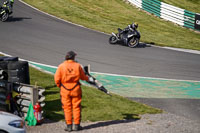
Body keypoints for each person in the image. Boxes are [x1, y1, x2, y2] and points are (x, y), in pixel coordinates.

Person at [54, 51, 94, 132]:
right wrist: (89, 78)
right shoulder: (78, 65)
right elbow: (83, 77)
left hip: (65, 89)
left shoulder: (61, 66)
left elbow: (57, 79)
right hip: (76, 89)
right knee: (76, 107)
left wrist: (60, 86)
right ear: (73, 57)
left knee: (67, 108)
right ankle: (76, 126)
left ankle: (69, 126)